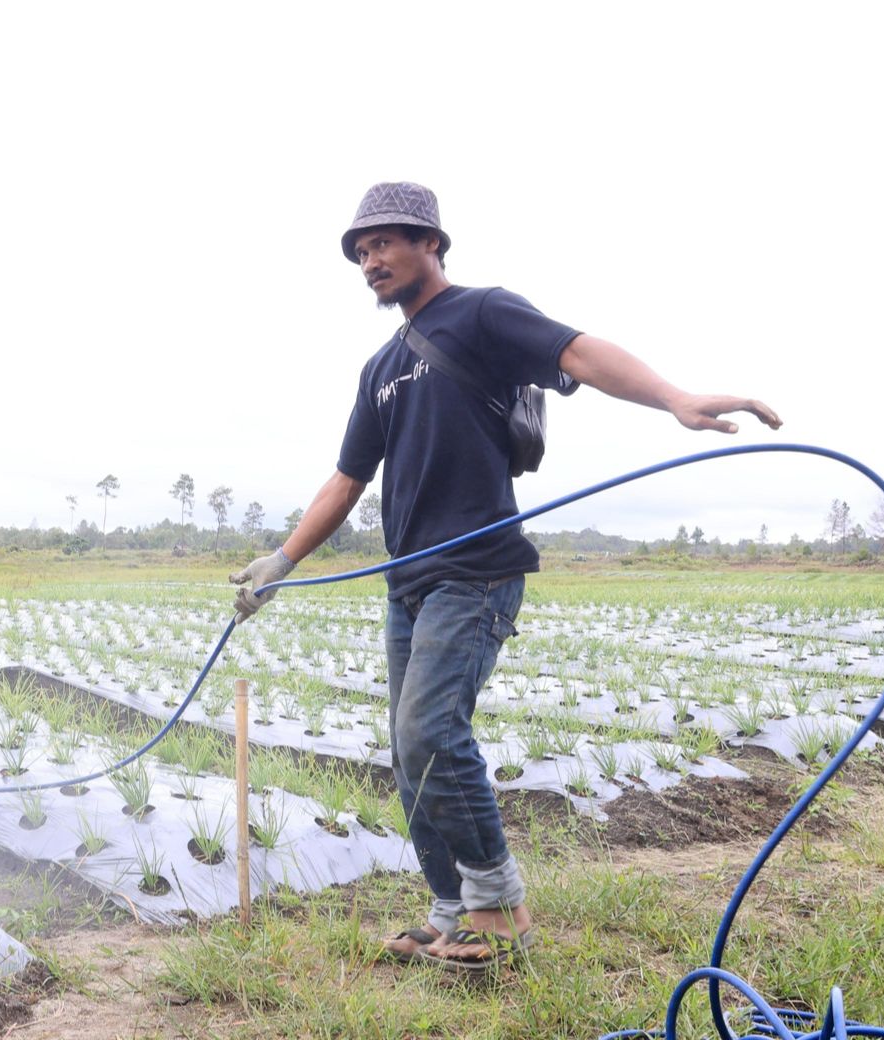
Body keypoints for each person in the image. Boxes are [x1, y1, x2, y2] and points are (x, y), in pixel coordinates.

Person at [231, 182, 780, 971]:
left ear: (432, 244)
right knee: (407, 748)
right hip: (409, 584)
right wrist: (280, 563)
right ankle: (448, 908)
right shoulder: (379, 366)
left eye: (385, 243)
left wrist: (672, 398)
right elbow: (346, 480)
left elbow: (580, 351)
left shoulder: (483, 313)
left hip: (477, 572)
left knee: (430, 731)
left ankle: (500, 907)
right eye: (360, 250)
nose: (370, 260)